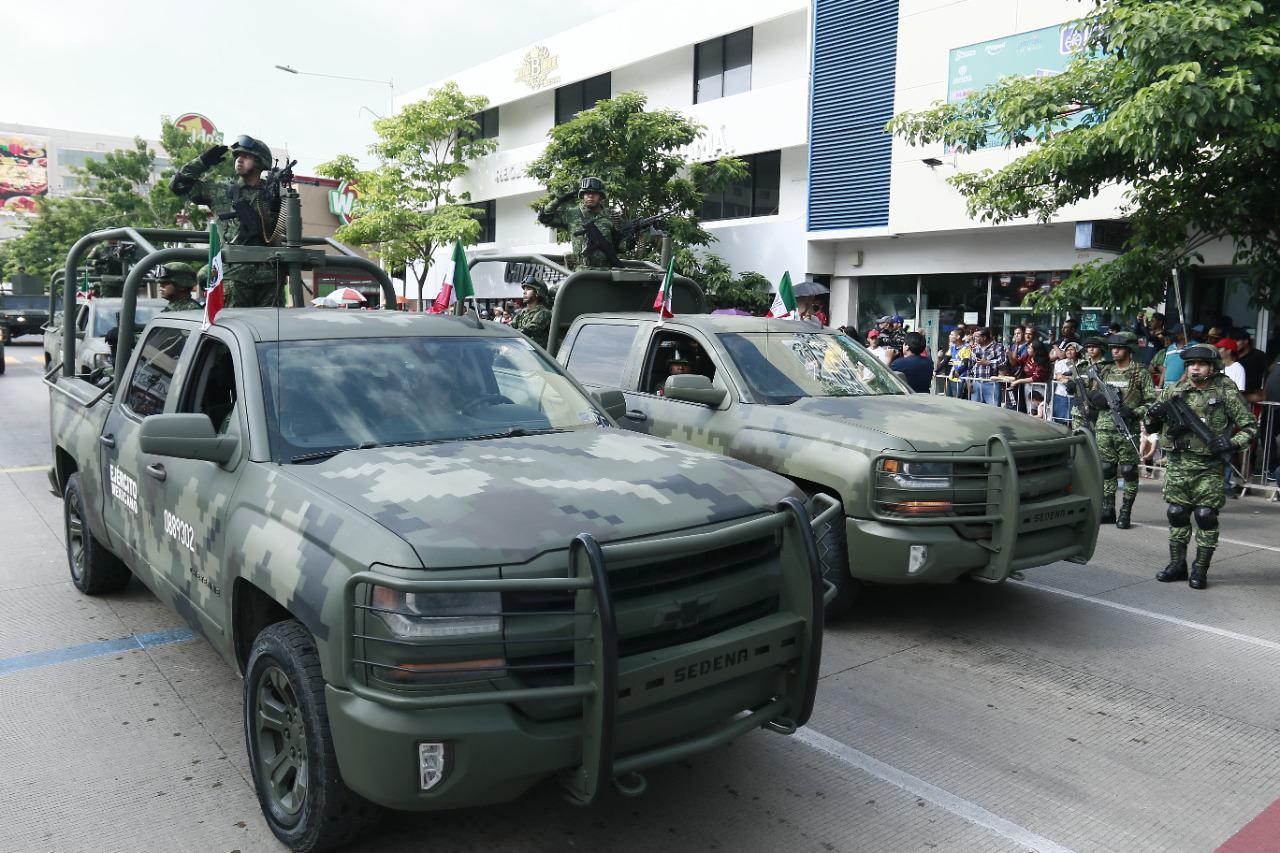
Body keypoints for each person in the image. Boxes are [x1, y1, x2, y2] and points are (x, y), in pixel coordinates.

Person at [1146, 345, 1258, 589]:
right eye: (1190, 364)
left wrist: (1230, 442)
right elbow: (1152, 425)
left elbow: (1251, 427)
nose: (1194, 368)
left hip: (1208, 467)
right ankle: (1177, 565)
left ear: (1212, 367)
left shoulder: (1225, 392)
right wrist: (1152, 415)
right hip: (1178, 464)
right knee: (1176, 513)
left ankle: (1200, 569)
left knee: (1205, 516)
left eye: (1200, 364)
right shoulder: (1175, 390)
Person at [170, 135, 283, 307]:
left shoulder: (275, 193)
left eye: (246, 156)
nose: (239, 159)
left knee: (273, 331)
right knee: (231, 329)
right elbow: (178, 185)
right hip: (233, 277)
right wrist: (203, 161)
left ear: (260, 162)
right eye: (237, 156)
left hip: (269, 277)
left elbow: (286, 230)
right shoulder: (222, 190)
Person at [1086, 332, 1156, 528]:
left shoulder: (1139, 372)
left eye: (1120, 348)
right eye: (1113, 348)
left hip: (1127, 428)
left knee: (1128, 470)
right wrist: (1095, 398)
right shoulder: (1105, 371)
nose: (1114, 351)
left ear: (1129, 350)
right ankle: (1108, 509)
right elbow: (1091, 391)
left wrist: (1134, 412)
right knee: (1106, 469)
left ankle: (1125, 513)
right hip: (1104, 426)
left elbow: (1151, 401)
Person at [536, 176, 622, 269]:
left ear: (601, 196)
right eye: (587, 193)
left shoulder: (610, 216)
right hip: (581, 272)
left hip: (606, 272)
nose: (590, 196)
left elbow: (620, 246)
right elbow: (544, 217)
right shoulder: (572, 214)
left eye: (594, 193)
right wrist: (559, 200)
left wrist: (628, 241)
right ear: (582, 196)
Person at [1070, 336, 1109, 431]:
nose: (1090, 349)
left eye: (1094, 347)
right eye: (1088, 347)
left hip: (1097, 412)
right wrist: (1071, 383)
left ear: (1102, 348)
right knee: (1077, 438)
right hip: (1079, 411)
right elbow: (1074, 380)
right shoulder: (1081, 366)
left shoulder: (1108, 367)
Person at [510, 274, 551, 349]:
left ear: (537, 292)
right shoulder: (523, 312)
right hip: (521, 350)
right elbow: (511, 326)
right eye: (524, 289)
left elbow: (529, 329)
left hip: (536, 355)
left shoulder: (544, 312)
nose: (524, 292)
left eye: (528, 289)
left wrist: (509, 333)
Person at [968, 327, 1006, 405]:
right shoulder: (975, 348)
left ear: (984, 337)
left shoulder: (998, 346)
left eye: (977, 337)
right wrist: (968, 381)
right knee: (975, 409)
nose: (975, 338)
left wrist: (989, 362)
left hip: (991, 383)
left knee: (993, 411)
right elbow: (970, 365)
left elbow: (1003, 361)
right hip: (976, 383)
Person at [1230, 328, 1269, 403]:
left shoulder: (1258, 355)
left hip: (1251, 393)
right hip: (1233, 393)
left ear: (1246, 341)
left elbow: (1269, 371)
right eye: (1233, 342)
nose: (1234, 344)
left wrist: (1264, 389)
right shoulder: (1231, 355)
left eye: (1237, 341)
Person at [1051, 341, 1080, 424]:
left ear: (1077, 351)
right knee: (1060, 420)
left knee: (1074, 421)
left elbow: (1082, 378)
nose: (1069, 352)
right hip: (1061, 395)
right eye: (1067, 350)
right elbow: (1058, 377)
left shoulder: (1082, 363)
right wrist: (1072, 378)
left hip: (1076, 396)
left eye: (1071, 349)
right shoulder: (1060, 363)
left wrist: (1066, 377)